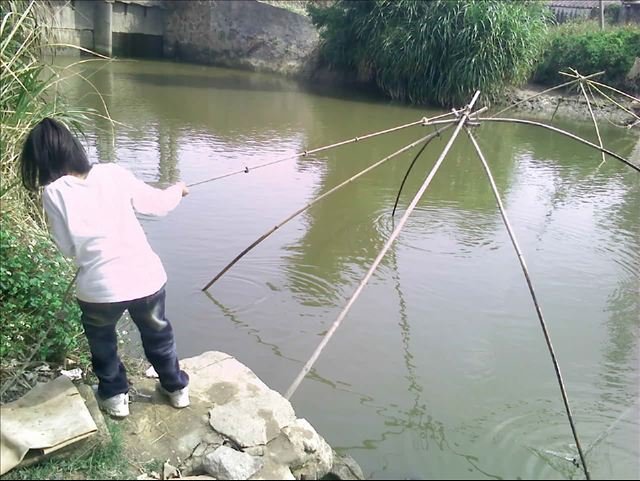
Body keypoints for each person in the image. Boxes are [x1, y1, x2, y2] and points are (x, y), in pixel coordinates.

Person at [20, 117, 190, 418]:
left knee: (102, 343)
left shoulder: (53, 193)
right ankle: (176, 389)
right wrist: (177, 189)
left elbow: (66, 247)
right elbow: (157, 204)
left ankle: (114, 398)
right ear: (73, 148)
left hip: (98, 288)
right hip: (146, 277)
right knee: (158, 333)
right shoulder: (112, 172)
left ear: (40, 160)